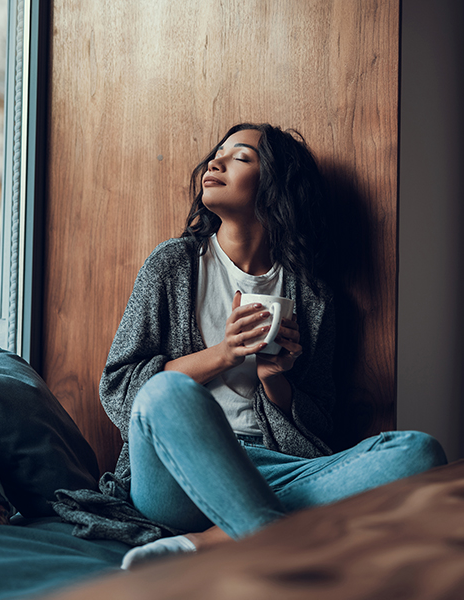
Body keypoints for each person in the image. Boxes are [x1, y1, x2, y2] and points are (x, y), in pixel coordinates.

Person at [99, 123, 447, 569]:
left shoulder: (312, 295)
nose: (216, 162)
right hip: (177, 473)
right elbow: (120, 388)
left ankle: (216, 540)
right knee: (166, 393)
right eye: (217, 154)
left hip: (274, 471)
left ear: (275, 187)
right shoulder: (172, 265)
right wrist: (224, 354)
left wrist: (275, 381)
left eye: (240, 157)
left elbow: (319, 423)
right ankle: (281, 546)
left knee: (418, 452)